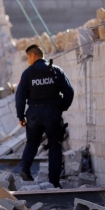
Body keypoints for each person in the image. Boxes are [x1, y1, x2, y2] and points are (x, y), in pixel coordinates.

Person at [15, 44, 74, 188]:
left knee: (32, 142)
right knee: (54, 145)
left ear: (33, 56)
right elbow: (69, 92)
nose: (28, 61)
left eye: (28, 57)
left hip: (34, 113)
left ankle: (24, 169)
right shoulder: (56, 71)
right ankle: (54, 182)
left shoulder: (27, 73)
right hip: (52, 113)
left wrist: (21, 116)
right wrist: (61, 108)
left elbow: (20, 97)